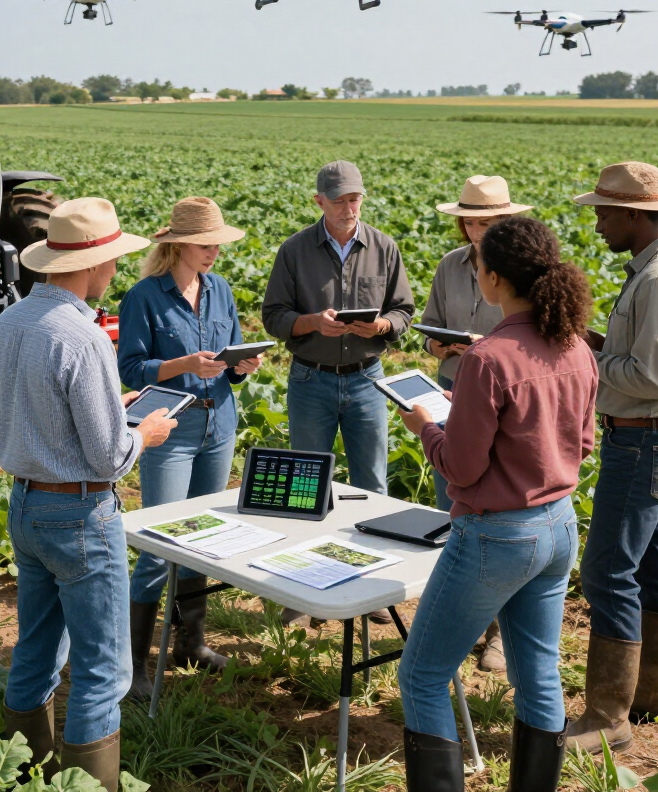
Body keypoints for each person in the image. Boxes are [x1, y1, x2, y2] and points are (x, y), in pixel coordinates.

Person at [395, 217, 597, 792]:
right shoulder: (576, 346)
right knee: (538, 674)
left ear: (493, 278)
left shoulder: (488, 358)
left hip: (496, 536)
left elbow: (461, 467)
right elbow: (582, 444)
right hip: (558, 526)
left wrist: (427, 426)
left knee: (423, 675)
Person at [0, 197, 177, 792]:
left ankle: (27, 774)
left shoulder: (9, 322)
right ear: (92, 265)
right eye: (112, 261)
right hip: (80, 513)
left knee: (36, 650)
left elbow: (36, 412)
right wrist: (143, 432)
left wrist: (108, 410)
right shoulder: (83, 336)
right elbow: (108, 458)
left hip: (26, 506)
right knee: (103, 669)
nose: (115, 271)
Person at [567, 162, 658, 755]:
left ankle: (608, 717)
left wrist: (581, 367)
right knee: (655, 563)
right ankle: (656, 695)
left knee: (606, 569)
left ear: (632, 214)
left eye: (603, 211)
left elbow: (651, 378)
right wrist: (603, 346)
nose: (597, 223)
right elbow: (649, 360)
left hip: (646, 435)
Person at [117, 197, 263, 699]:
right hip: (170, 432)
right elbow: (131, 371)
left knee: (201, 537)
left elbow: (229, 357)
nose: (215, 252)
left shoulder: (220, 290)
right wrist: (183, 365)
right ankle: (132, 668)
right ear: (178, 245)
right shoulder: (143, 297)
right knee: (159, 547)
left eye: (218, 243)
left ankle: (190, 644)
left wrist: (241, 368)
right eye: (206, 244)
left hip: (219, 425)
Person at [422, 174, 532, 673]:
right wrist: (442, 345)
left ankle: (501, 637)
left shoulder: (521, 270)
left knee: (499, 522)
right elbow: (428, 327)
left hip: (504, 402)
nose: (475, 229)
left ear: (505, 221)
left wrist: (484, 351)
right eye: (469, 221)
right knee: (458, 512)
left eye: (486, 221)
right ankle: (471, 626)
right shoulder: (449, 266)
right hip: (453, 389)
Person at [261, 160, 414, 495]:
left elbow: (403, 312)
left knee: (373, 482)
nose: (349, 208)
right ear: (319, 201)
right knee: (306, 485)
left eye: (354, 199)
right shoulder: (294, 250)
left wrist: (381, 326)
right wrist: (310, 323)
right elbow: (273, 316)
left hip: (367, 380)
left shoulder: (384, 248)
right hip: (310, 380)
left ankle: (372, 546)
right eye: (339, 200)